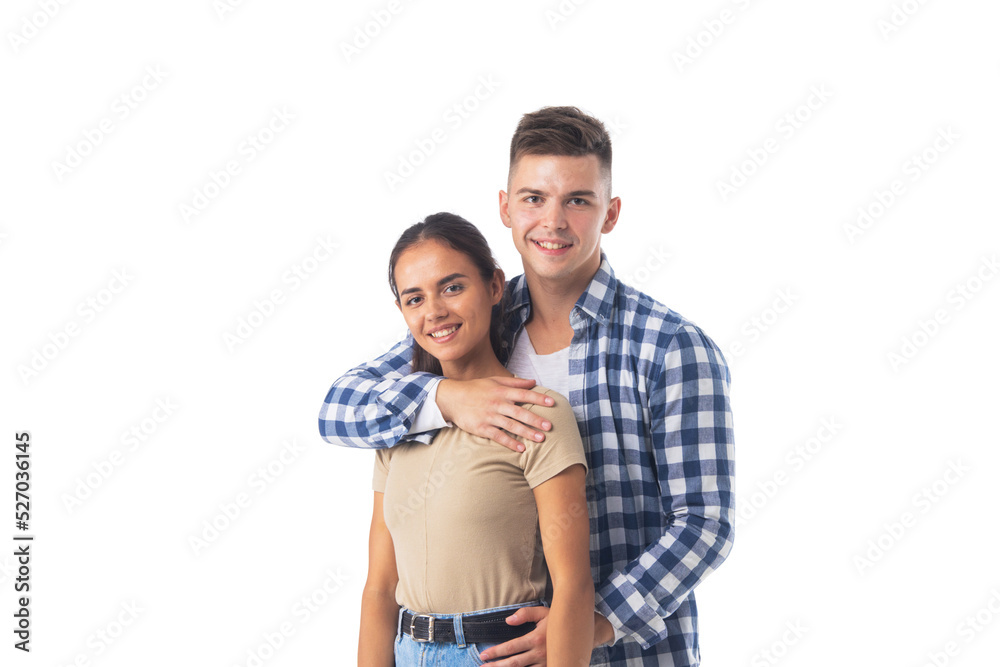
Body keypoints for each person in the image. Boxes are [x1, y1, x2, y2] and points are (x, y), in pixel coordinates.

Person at [321, 107, 735, 666]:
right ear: (505, 207)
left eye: (578, 201)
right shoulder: (474, 316)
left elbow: (705, 524)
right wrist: (445, 398)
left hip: (630, 652)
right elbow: (339, 406)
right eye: (534, 198)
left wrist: (592, 621)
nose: (553, 221)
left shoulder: (670, 347)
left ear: (610, 214)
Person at [355, 212, 594, 666]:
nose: (435, 312)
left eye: (452, 287)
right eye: (414, 299)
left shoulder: (538, 414)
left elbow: (574, 586)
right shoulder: (396, 428)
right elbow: (379, 588)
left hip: (496, 653)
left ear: (494, 287)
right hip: (407, 651)